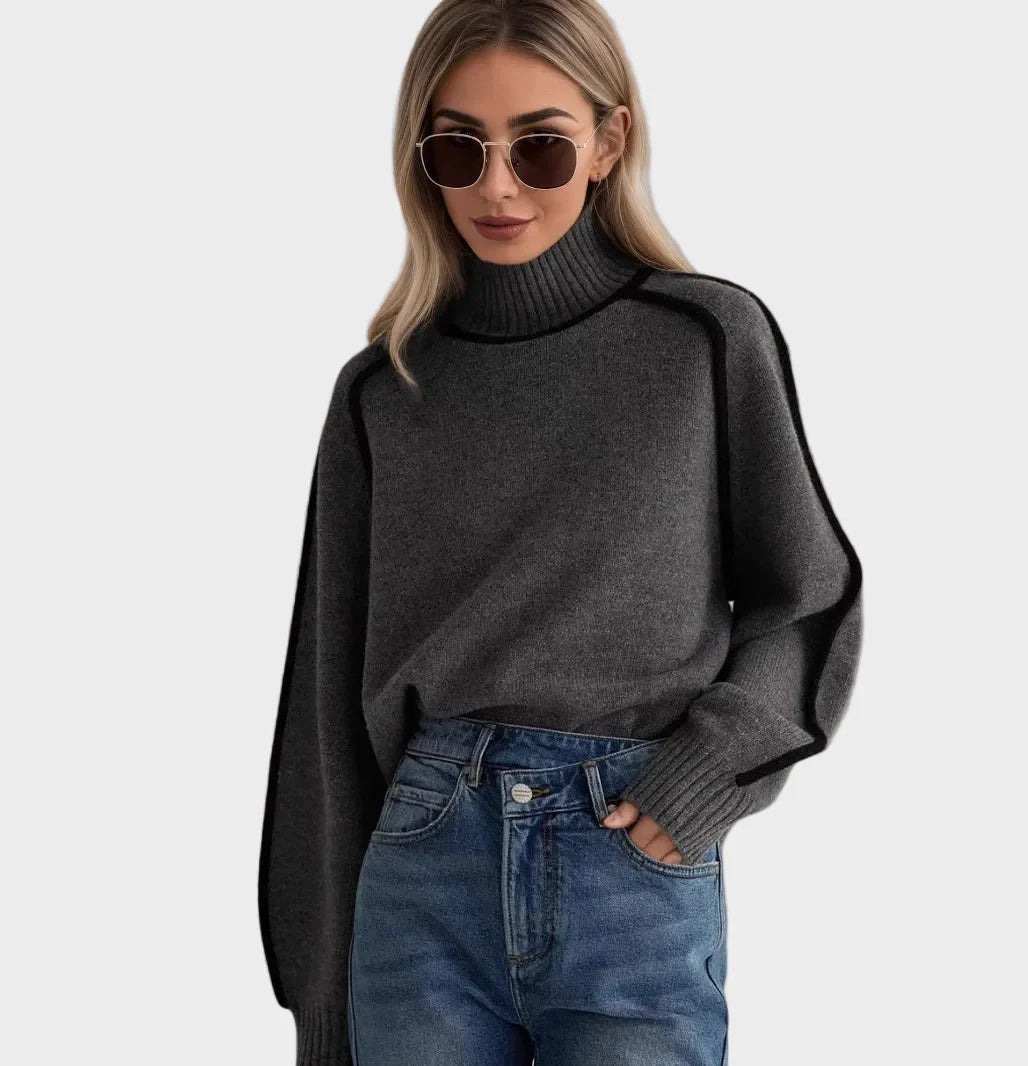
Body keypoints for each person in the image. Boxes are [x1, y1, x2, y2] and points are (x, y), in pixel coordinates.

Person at [257, 2, 864, 1064]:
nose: (497, 187)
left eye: (538, 146)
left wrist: (704, 774)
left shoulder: (703, 339)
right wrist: (319, 995)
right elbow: (323, 705)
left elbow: (807, 597)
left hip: (627, 847)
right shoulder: (383, 391)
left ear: (609, 141)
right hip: (420, 863)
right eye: (459, 150)